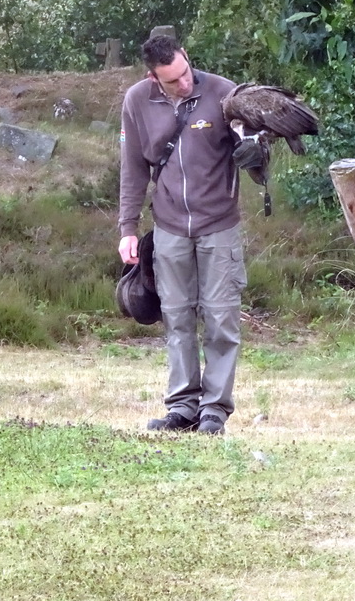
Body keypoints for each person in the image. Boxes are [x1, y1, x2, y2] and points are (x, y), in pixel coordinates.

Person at [117, 34, 247, 435]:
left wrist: (255, 151)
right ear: (153, 77)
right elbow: (133, 167)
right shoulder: (137, 101)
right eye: (172, 81)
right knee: (176, 319)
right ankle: (182, 408)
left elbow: (254, 146)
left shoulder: (225, 93)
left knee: (222, 318)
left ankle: (214, 412)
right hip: (169, 226)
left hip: (219, 225)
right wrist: (127, 228)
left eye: (185, 73)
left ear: (187, 58)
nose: (184, 84)